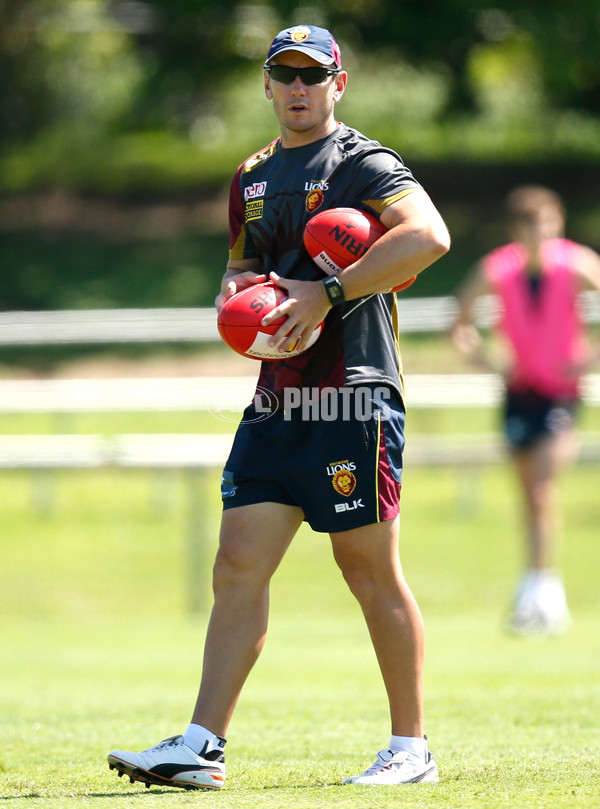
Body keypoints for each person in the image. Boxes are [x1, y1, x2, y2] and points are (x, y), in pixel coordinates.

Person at [108, 24, 450, 790]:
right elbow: (241, 271)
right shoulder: (252, 176)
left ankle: (411, 747)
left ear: (339, 82)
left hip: (352, 392)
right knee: (237, 566)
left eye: (312, 75)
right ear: (266, 84)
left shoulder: (364, 163)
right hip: (277, 397)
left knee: (366, 569)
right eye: (284, 75)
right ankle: (202, 744)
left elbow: (429, 237)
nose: (298, 88)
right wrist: (236, 300)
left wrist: (326, 291)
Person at [451, 185, 600, 636]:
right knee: (529, 498)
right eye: (533, 226)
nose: (543, 234)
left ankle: (543, 594)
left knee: (542, 489)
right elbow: (459, 323)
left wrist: (588, 360)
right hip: (519, 394)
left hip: (561, 393)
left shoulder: (575, 264)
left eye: (549, 224)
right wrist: (491, 363)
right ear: (517, 230)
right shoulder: (498, 269)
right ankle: (536, 587)